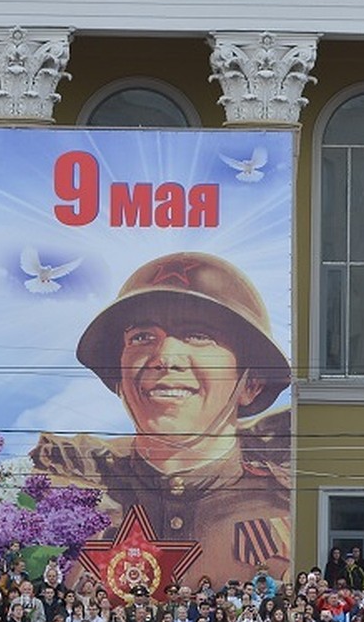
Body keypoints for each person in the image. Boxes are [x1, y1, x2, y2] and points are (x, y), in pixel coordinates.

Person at [29, 251, 292, 588]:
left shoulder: (284, 508)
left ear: (251, 383)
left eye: (199, 335)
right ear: (120, 380)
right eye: (141, 337)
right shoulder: (71, 501)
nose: (165, 357)